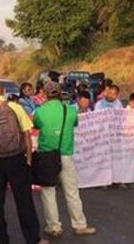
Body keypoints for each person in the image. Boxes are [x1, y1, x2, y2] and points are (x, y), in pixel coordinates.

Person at [0, 80, 48, 244]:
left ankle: (1, 239)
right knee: (24, 200)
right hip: (17, 159)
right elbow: (27, 135)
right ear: (3, 91)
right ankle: (33, 238)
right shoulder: (15, 107)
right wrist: (28, 158)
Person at [34, 81, 96, 238]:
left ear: (45, 94)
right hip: (66, 154)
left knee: (48, 191)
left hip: (47, 155)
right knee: (72, 191)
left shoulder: (40, 112)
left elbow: (36, 125)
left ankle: (54, 227)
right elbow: (75, 124)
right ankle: (79, 225)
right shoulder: (70, 111)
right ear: (61, 93)